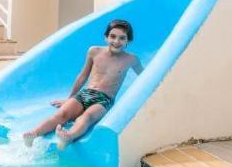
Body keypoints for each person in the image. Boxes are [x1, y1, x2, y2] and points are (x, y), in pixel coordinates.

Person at [23, 19, 143, 151]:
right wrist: (70, 98)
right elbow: (82, 76)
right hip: (85, 93)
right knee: (62, 114)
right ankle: (34, 134)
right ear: (106, 37)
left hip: (104, 99)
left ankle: (69, 136)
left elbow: (145, 77)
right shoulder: (94, 51)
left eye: (122, 38)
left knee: (87, 117)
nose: (116, 41)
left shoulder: (131, 59)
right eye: (112, 36)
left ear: (128, 41)